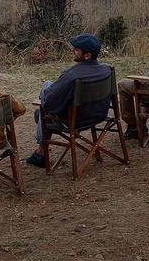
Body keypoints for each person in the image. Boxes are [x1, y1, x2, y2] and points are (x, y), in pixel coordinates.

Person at [25, 33, 113, 168]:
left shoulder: (71, 75)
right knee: (48, 91)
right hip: (98, 115)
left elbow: (48, 104)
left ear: (87, 55)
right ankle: (40, 152)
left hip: (75, 121)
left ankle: (41, 153)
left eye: (76, 49)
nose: (73, 51)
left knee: (42, 111)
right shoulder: (107, 69)